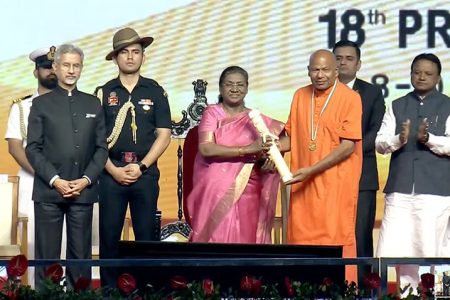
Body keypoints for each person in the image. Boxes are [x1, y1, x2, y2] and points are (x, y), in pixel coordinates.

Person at [25, 44, 107, 288]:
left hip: (83, 192)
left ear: (81, 68)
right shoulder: (40, 104)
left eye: (76, 65)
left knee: (81, 259)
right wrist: (56, 180)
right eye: (66, 65)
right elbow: (32, 148)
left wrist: (85, 180)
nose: (71, 70)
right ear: (56, 67)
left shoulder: (93, 104)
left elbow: (101, 149)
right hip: (49, 192)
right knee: (46, 259)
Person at [95, 27, 172, 288]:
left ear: (143, 57)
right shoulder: (103, 93)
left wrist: (141, 166)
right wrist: (113, 170)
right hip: (110, 173)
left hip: (145, 173)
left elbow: (164, 135)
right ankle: (108, 292)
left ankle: (145, 290)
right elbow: (94, 140)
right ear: (115, 58)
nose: (130, 57)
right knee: (109, 237)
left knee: (146, 238)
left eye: (136, 52)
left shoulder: (155, 91)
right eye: (124, 52)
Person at [279, 50, 362, 282]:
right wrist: (272, 146)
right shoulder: (299, 95)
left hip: (335, 188)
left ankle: (342, 292)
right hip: (303, 189)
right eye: (315, 70)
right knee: (301, 243)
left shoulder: (350, 98)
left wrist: (312, 170)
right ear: (308, 71)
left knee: (336, 242)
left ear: (336, 71)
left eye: (325, 70)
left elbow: (348, 147)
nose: (320, 75)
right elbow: (293, 138)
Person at [375, 53, 450, 292]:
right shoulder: (397, 105)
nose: (421, 77)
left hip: (435, 190)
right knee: (400, 247)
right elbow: (380, 143)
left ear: (438, 77)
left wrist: (428, 139)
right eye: (417, 72)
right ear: (410, 74)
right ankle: (407, 294)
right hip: (400, 189)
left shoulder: (448, 105)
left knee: (432, 247)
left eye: (428, 74)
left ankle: (436, 294)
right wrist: (400, 138)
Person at [186, 66, 284, 243]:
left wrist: (269, 158)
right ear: (221, 88)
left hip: (249, 186)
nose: (234, 89)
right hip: (215, 186)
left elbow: (284, 141)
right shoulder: (212, 112)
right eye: (229, 84)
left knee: (245, 238)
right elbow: (206, 149)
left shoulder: (254, 118)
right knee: (215, 239)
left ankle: (245, 272)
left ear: (246, 87)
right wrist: (247, 149)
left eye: (240, 85)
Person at [333, 40, 385, 283]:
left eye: (348, 58)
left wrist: (343, 153)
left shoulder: (372, 93)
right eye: (338, 58)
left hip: (361, 176)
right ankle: (328, 285)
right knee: (329, 235)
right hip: (325, 176)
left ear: (359, 64)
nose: (342, 62)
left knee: (360, 234)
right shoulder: (321, 92)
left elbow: (375, 133)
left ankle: (363, 289)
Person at [4, 46, 57, 286]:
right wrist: (44, 174)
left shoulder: (75, 104)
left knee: (66, 244)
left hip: (66, 183)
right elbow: (15, 146)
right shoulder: (21, 107)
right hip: (32, 180)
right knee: (33, 243)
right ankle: (34, 292)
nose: (51, 71)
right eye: (46, 67)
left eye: (55, 66)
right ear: (36, 72)